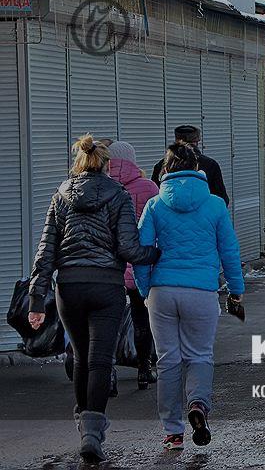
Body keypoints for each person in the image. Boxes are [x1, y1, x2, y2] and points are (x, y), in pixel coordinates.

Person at [28, 135, 161, 464]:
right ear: (106, 165)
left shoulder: (60, 195)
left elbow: (46, 251)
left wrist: (36, 300)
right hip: (106, 287)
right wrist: (156, 254)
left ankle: (83, 427)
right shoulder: (118, 195)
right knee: (101, 361)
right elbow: (129, 248)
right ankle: (92, 434)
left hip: (69, 288)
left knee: (81, 358)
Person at [135, 143, 244, 450]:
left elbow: (142, 254)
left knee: (168, 360)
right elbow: (229, 251)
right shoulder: (215, 205)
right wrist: (236, 289)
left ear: (165, 169)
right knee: (200, 355)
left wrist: (146, 290)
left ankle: (172, 431)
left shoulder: (155, 204)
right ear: (198, 168)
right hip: (201, 290)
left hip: (163, 291)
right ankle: (198, 404)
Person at [107, 141, 159, 390]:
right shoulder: (148, 187)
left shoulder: (103, 187)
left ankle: (109, 375)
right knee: (141, 320)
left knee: (108, 323)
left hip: (110, 266)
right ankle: (144, 369)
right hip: (139, 264)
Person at [151, 125, 229, 206]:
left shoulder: (162, 165)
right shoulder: (211, 164)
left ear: (176, 140)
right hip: (205, 213)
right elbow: (222, 199)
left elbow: (154, 196)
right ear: (197, 141)